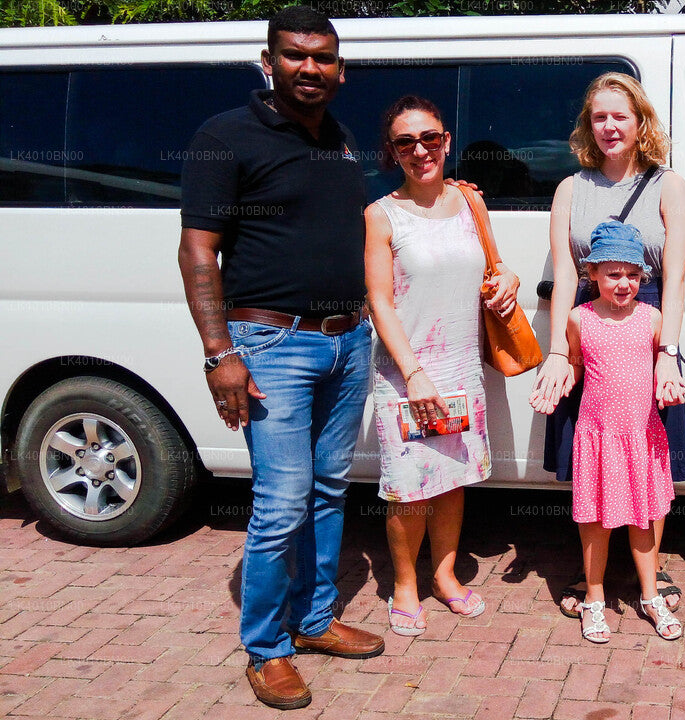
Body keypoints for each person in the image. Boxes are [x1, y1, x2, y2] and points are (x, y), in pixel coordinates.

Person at [177, 7, 382, 710]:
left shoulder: (345, 141)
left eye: (323, 58)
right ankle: (267, 648)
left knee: (328, 490)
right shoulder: (224, 137)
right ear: (269, 61)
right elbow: (199, 249)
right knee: (280, 503)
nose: (310, 69)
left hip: (348, 341)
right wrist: (218, 354)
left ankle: (315, 618)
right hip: (272, 345)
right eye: (295, 56)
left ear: (339, 68)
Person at [528, 72, 685, 618]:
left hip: (648, 347)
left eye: (620, 115)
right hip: (589, 344)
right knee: (593, 462)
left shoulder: (669, 185)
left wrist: (666, 353)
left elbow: (673, 279)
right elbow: (565, 276)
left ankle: (649, 572)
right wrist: (557, 353)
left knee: (650, 461)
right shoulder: (570, 189)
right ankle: (595, 578)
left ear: (640, 119)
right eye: (599, 116)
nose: (609, 126)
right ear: (587, 124)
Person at [364, 96, 520, 635]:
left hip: (458, 370)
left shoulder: (470, 203)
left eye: (430, 138)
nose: (420, 150)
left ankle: (445, 576)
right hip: (407, 375)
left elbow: (494, 268)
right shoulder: (381, 215)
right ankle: (405, 585)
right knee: (409, 486)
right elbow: (379, 301)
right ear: (392, 152)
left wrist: (509, 282)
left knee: (451, 480)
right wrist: (412, 373)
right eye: (405, 142)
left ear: (447, 141)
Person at [537, 221, 683, 644]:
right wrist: (566, 376)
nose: (623, 284)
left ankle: (650, 594)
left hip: (641, 436)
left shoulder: (653, 318)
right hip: (598, 437)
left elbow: (662, 363)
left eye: (633, 275)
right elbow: (578, 363)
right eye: (614, 274)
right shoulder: (578, 319)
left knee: (643, 518)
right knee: (596, 522)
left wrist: (667, 380)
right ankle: (595, 598)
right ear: (593, 274)